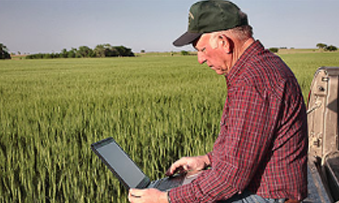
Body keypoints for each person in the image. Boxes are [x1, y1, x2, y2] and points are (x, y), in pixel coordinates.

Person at [128, 0, 308, 202]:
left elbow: (230, 179)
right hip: (263, 188)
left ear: (224, 42)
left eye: (202, 49)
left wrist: (166, 198)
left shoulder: (253, 82)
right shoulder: (259, 67)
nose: (200, 59)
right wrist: (206, 160)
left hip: (269, 196)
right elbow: (246, 147)